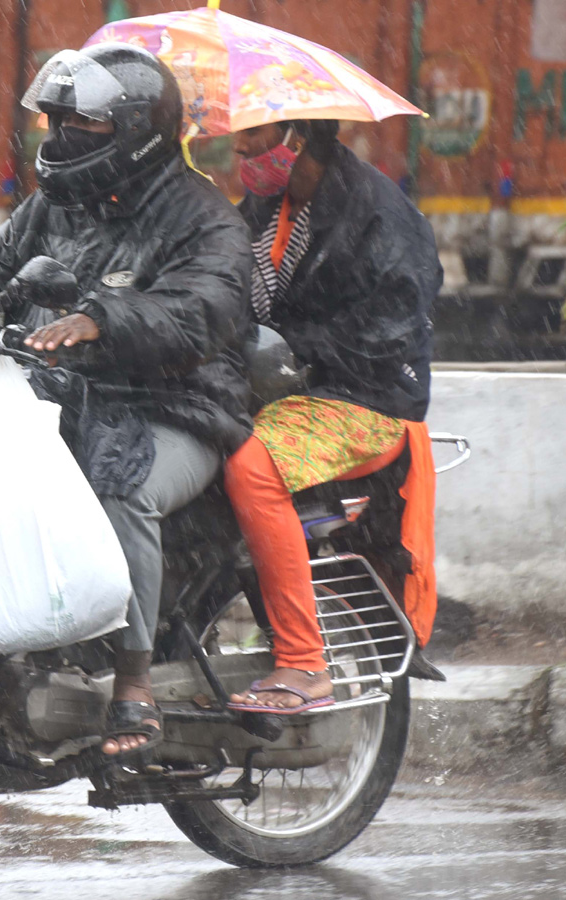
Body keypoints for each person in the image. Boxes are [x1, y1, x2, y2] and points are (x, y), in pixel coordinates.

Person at [0, 43, 254, 757]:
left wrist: (105, 318)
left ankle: (133, 688)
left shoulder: (206, 221)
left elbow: (201, 314)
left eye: (81, 124)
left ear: (136, 131)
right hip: (59, 399)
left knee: (119, 486)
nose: (59, 137)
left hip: (177, 407)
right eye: (53, 121)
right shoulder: (54, 205)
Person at [222, 119, 442, 714]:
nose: (239, 146)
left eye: (255, 133)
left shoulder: (381, 213)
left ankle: (304, 663)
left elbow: (388, 331)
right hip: (283, 389)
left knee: (252, 468)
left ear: (297, 136)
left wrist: (291, 346)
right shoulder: (268, 205)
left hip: (364, 400)